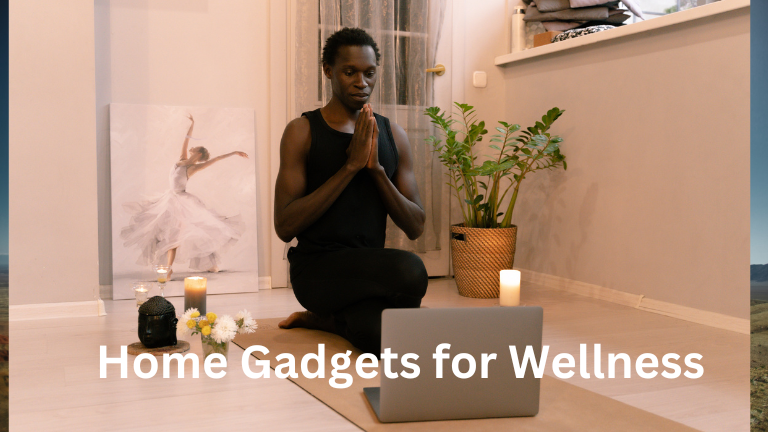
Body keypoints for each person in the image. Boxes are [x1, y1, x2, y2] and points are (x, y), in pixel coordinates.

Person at [275, 27, 428, 355]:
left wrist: (375, 170)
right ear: (328, 72)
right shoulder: (302, 132)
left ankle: (326, 321)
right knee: (410, 272)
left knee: (381, 338)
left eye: (369, 73)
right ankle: (324, 308)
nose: (362, 82)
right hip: (317, 271)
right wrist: (349, 168)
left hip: (368, 268)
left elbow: (416, 226)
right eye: (350, 72)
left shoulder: (393, 135)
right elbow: (284, 226)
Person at [121, 114, 249, 281]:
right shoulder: (182, 160)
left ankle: (170, 270)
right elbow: (185, 140)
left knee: (180, 234)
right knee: (168, 233)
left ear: (199, 154)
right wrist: (192, 125)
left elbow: (216, 159)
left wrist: (234, 152)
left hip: (182, 202)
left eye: (195, 149)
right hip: (169, 199)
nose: (191, 148)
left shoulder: (194, 168)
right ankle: (203, 265)